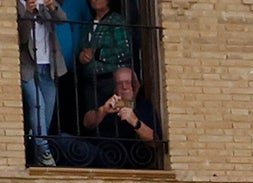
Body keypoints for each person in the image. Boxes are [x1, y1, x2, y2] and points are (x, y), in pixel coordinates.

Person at [55, 62, 157, 167]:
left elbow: (155, 142)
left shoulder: (144, 106)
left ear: (136, 86)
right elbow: (87, 123)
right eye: (119, 83)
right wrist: (103, 111)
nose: (124, 87)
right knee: (61, 141)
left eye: (128, 82)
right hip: (97, 153)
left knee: (63, 141)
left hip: (124, 162)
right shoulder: (108, 101)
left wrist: (135, 122)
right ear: (114, 87)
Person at [17, 0, 67, 167]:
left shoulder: (45, 2)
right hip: (28, 65)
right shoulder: (17, 4)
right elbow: (22, 37)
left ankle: (35, 149)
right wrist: (29, 12)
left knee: (47, 113)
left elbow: (62, 20)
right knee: (38, 105)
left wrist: (52, 6)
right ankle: (44, 151)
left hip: (49, 65)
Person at [68, 0, 127, 111]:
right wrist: (81, 57)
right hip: (90, 80)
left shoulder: (116, 21)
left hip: (112, 79)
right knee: (93, 118)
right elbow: (82, 49)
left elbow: (125, 51)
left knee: (118, 111)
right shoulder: (87, 25)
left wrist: (97, 53)